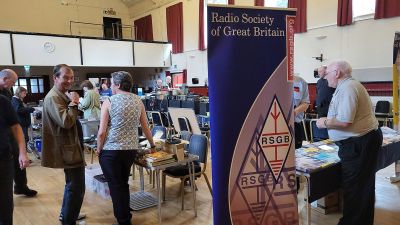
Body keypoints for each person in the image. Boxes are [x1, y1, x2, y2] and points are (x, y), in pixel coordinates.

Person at [316, 60, 382, 225]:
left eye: (328, 74)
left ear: (337, 72)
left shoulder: (349, 87)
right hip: (359, 142)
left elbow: (345, 121)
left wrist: (324, 122)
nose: (325, 78)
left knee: (355, 188)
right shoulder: (345, 86)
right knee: (360, 187)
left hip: (359, 144)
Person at [96, 71, 155, 225]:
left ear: (119, 85)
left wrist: (98, 149)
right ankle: (125, 216)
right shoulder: (138, 101)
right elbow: (146, 127)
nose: (110, 86)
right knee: (123, 184)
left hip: (111, 151)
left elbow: (101, 132)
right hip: (130, 150)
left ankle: (123, 220)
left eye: (112, 83)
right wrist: (153, 144)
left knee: (116, 187)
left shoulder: (109, 101)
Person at [41, 64, 86, 225]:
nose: (69, 80)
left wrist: (72, 102)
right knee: (77, 188)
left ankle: (67, 215)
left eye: (71, 77)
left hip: (71, 147)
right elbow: (66, 121)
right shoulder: (53, 97)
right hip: (68, 150)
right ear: (55, 78)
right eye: (65, 77)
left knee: (72, 186)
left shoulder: (60, 94)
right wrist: (74, 102)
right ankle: (68, 220)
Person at [0, 69, 38, 197]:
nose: (14, 84)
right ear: (5, 79)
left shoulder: (6, 92)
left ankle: (21, 186)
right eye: (13, 81)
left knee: (19, 158)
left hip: (11, 129)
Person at [314, 65, 336, 141]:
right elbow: (318, 94)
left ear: (326, 71)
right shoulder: (319, 82)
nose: (318, 73)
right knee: (322, 130)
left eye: (320, 71)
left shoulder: (332, 80)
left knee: (331, 127)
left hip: (330, 109)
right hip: (321, 109)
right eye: (318, 71)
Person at [293, 75, 310, 149]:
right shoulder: (270, 81)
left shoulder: (300, 82)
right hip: (275, 126)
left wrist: (293, 113)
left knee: (296, 154)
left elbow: (305, 103)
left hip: (295, 125)